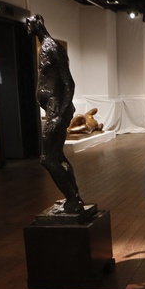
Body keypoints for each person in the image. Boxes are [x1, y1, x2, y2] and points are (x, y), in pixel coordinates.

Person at [26, 14, 84, 213]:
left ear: (39, 23)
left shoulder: (52, 47)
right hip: (53, 107)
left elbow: (68, 82)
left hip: (56, 108)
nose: (27, 25)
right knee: (57, 155)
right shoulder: (45, 46)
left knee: (47, 158)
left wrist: (60, 112)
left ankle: (73, 199)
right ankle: (74, 198)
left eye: (30, 22)